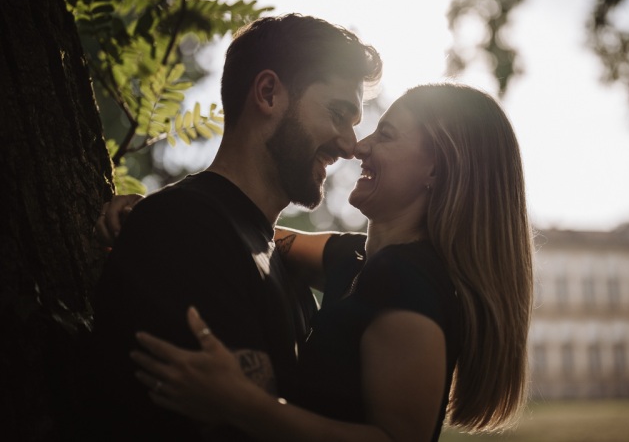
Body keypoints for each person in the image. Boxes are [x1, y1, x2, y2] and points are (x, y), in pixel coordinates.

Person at [103, 83, 534, 440]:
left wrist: (242, 402)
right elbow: (242, 228)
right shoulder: (355, 258)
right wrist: (160, 208)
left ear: (437, 170)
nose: (360, 147)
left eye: (385, 135)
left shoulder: (407, 282)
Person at [85, 13, 382, 440]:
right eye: (338, 113)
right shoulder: (179, 228)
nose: (351, 145)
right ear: (267, 93)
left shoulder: (271, 255)